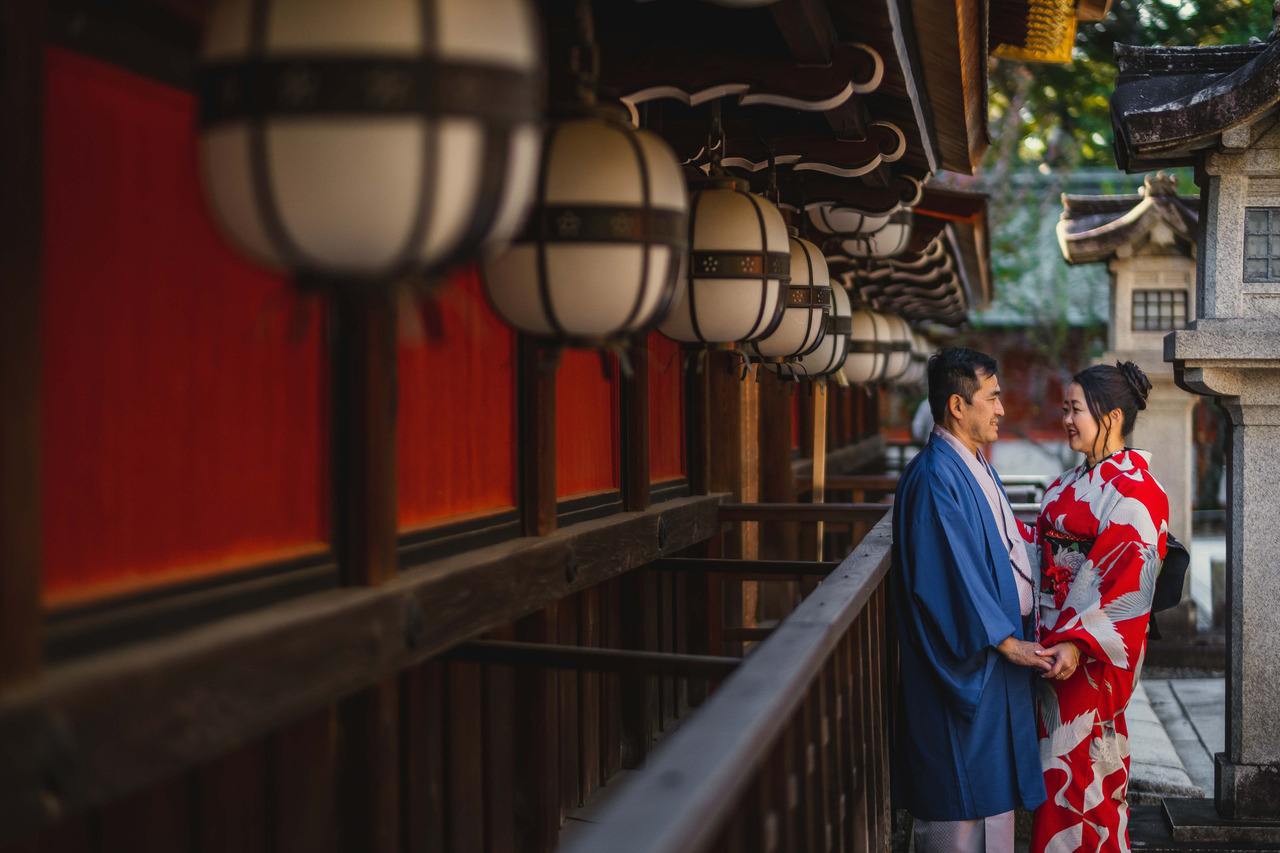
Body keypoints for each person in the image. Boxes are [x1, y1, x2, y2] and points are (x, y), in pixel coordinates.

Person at [891, 347, 1049, 853]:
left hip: (992, 660)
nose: (1002, 408)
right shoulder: (936, 476)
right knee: (959, 804)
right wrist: (1007, 641)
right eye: (992, 397)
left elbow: (1005, 547)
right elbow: (949, 575)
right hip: (965, 664)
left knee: (992, 801)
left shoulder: (973, 462)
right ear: (957, 406)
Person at [1022, 362, 1169, 853]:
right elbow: (1042, 553)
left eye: (1076, 409)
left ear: (1109, 418)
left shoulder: (1139, 493)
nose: (1066, 418)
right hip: (1054, 647)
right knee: (1056, 774)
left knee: (1090, 771)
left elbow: (1125, 579)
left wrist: (1074, 642)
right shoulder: (1065, 484)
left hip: (1090, 656)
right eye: (1065, 408)